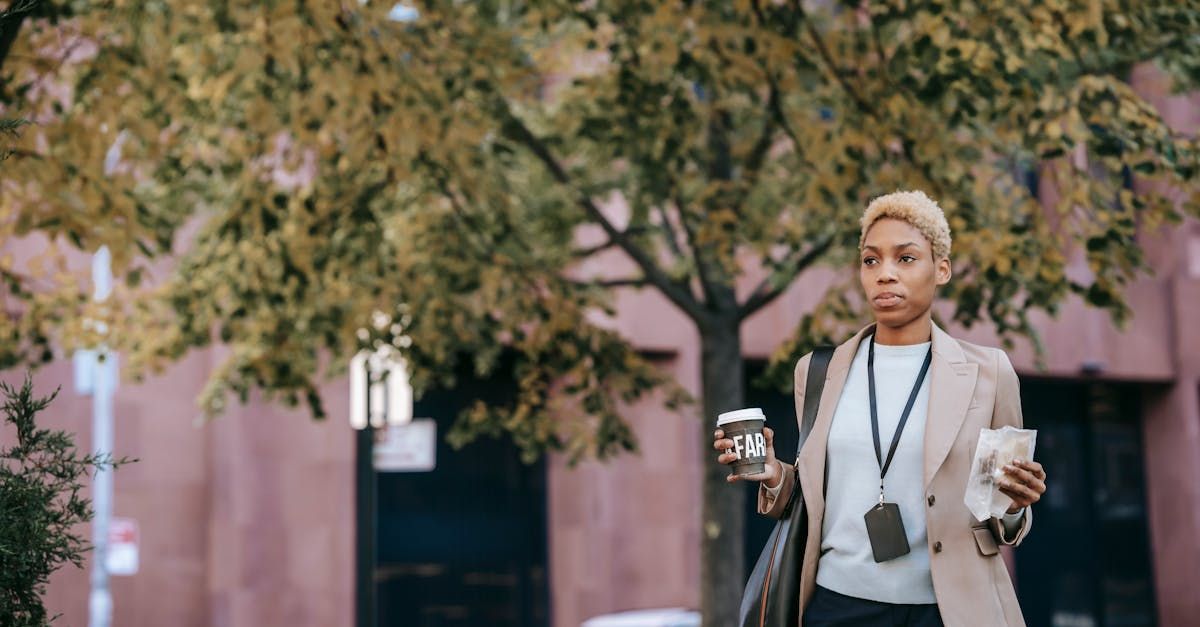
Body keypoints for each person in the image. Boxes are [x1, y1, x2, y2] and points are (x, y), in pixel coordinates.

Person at [713, 191, 1047, 627]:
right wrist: (776, 475)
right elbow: (818, 499)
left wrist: (1015, 504)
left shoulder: (989, 372)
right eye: (871, 261)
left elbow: (1001, 507)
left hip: (950, 610)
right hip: (839, 606)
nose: (884, 274)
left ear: (941, 269)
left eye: (905, 259)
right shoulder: (817, 372)